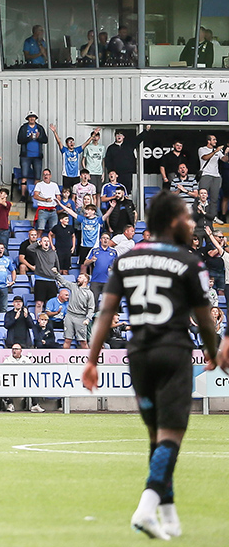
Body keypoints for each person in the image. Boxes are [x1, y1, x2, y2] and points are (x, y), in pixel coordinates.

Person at [83, 191, 220, 540]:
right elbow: (205, 319)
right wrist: (212, 350)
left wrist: (92, 359)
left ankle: (170, 517)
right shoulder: (191, 262)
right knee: (171, 436)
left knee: (157, 439)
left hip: (139, 355)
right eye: (188, 218)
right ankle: (145, 509)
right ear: (173, 221)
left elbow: (106, 313)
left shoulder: (127, 259)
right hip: (173, 353)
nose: (193, 225)